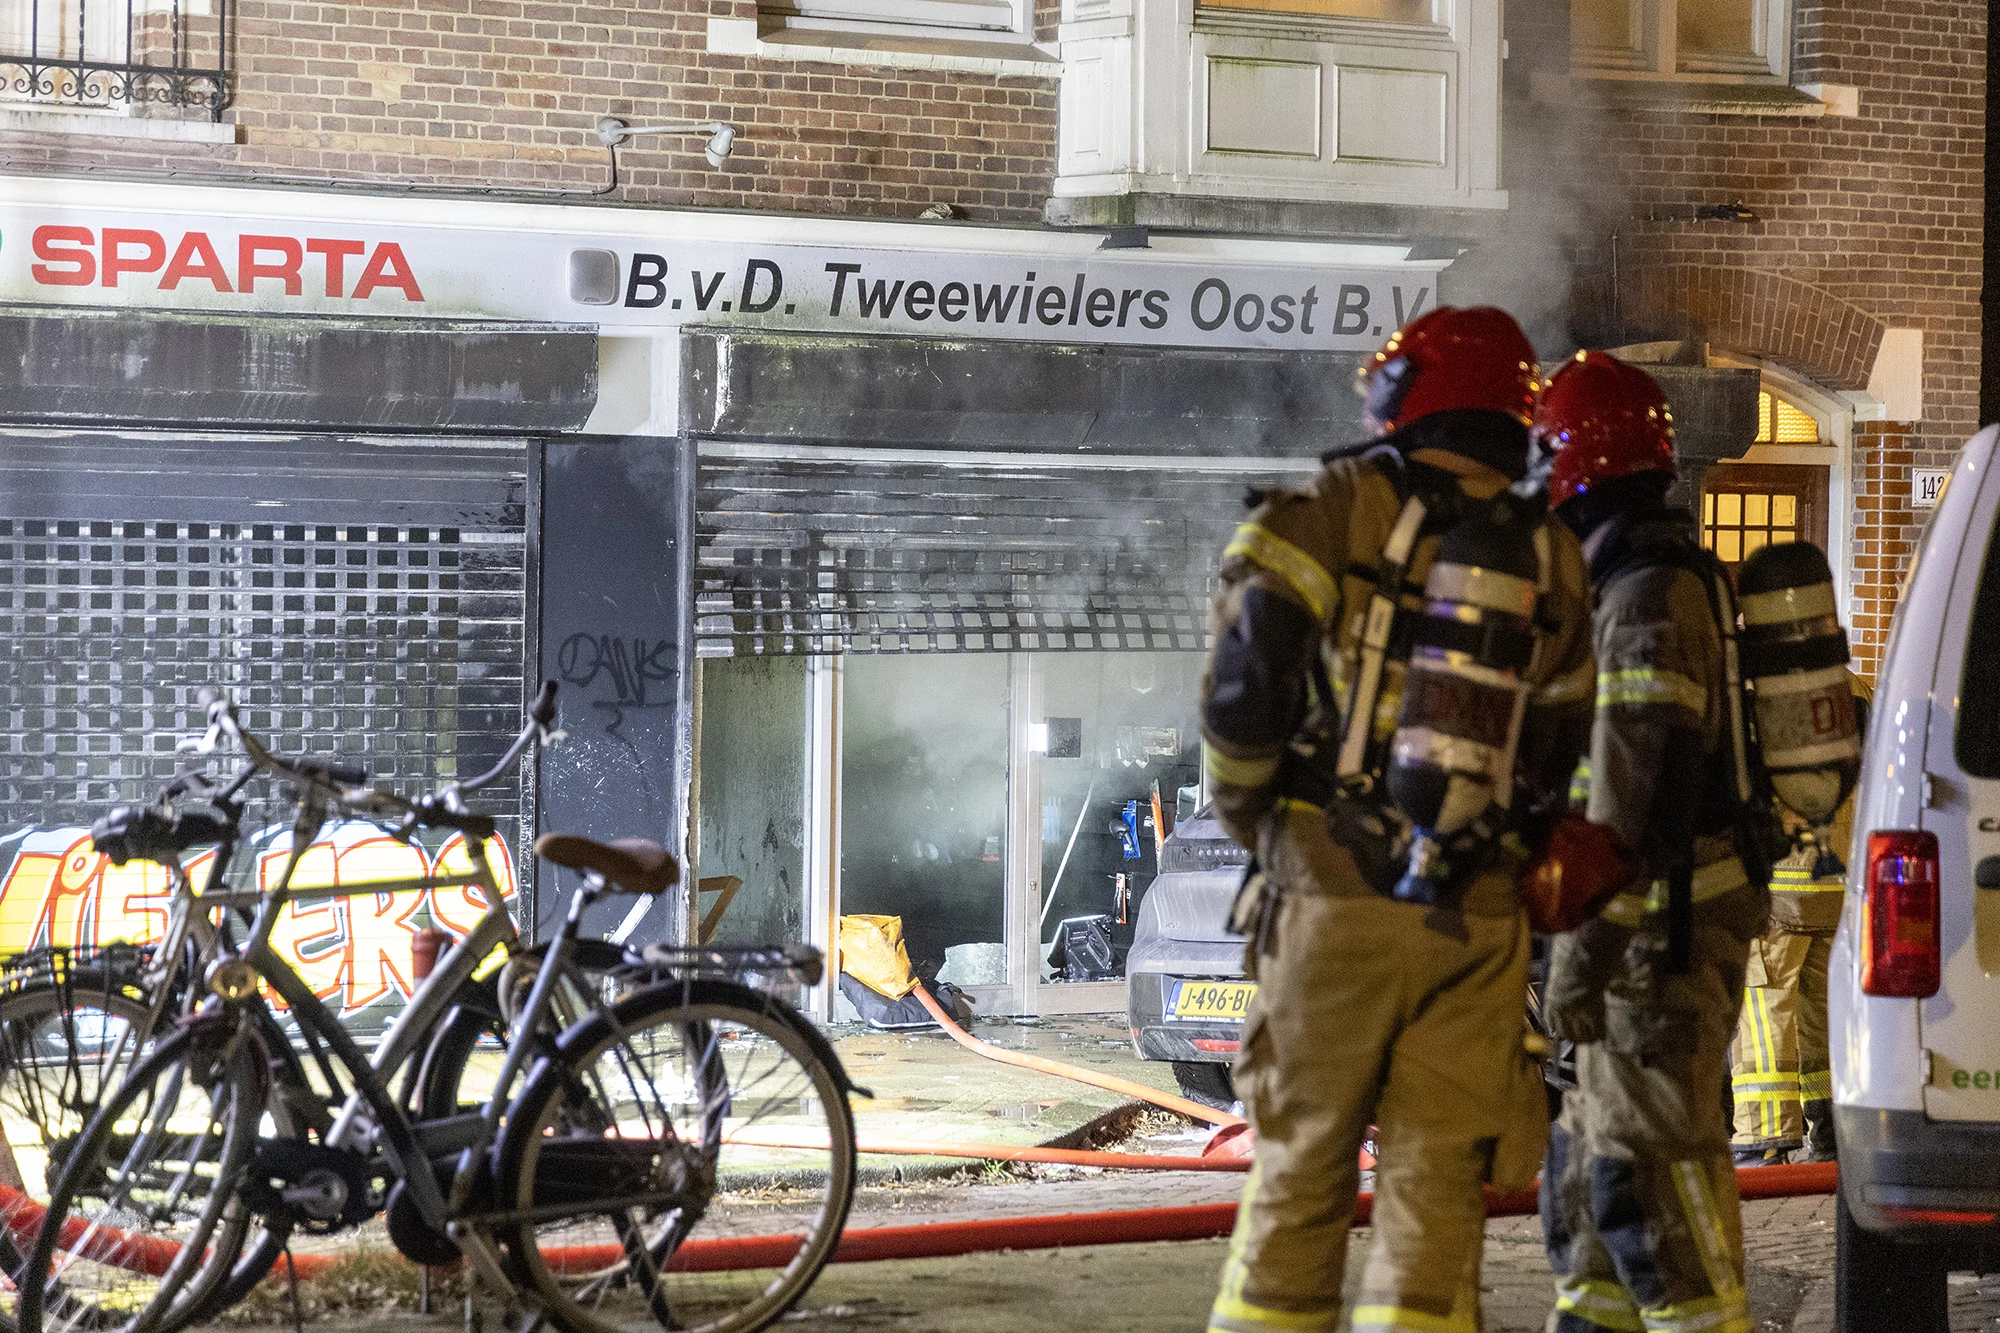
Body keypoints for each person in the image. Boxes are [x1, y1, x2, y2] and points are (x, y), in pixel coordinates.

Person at [1200, 306, 1595, 1333]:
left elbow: (1243, 690)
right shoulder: (1553, 553)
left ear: (1403, 393)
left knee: (1300, 1169)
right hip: (1478, 915)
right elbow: (1561, 749)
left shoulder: (1328, 507)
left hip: (1328, 895)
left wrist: (1258, 822)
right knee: (1436, 1191)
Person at [1531, 350, 1770, 1333]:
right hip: (1638, 938)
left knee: (1652, 1190)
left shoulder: (1645, 596)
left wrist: (1579, 962)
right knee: (1590, 1198)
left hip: (1654, 945)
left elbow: (1631, 810)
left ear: (1572, 466)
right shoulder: (1638, 577)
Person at [1731, 671, 1870, 1165]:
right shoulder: (1854, 688)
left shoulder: (1756, 689)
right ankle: (1830, 1131)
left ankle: (1764, 1140)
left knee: (1765, 1009)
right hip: (1838, 884)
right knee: (1823, 1017)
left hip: (1780, 889)